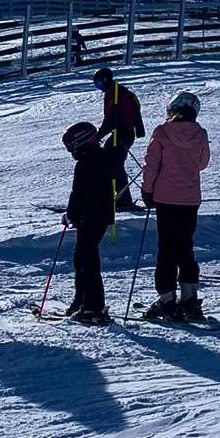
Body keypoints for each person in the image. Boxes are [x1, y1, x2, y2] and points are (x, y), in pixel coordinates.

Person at [141, 92, 211, 321]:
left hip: (165, 197)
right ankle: (189, 299)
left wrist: (147, 191)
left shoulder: (162, 132)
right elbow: (202, 164)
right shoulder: (200, 134)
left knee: (166, 249)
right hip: (189, 199)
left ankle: (167, 299)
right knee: (185, 246)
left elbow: (152, 165)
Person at [60, 121, 120, 324]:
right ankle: (82, 301)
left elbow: (78, 194)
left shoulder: (87, 164)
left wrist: (71, 214)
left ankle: (93, 307)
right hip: (99, 215)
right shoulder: (102, 158)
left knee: (87, 259)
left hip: (92, 216)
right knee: (83, 257)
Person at [92, 67, 146, 211]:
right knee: (113, 163)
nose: (99, 87)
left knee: (113, 164)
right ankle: (120, 198)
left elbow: (112, 119)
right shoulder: (117, 90)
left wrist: (98, 135)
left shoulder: (114, 93)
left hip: (121, 134)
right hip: (123, 133)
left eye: (98, 84)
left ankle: (123, 200)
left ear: (105, 80)